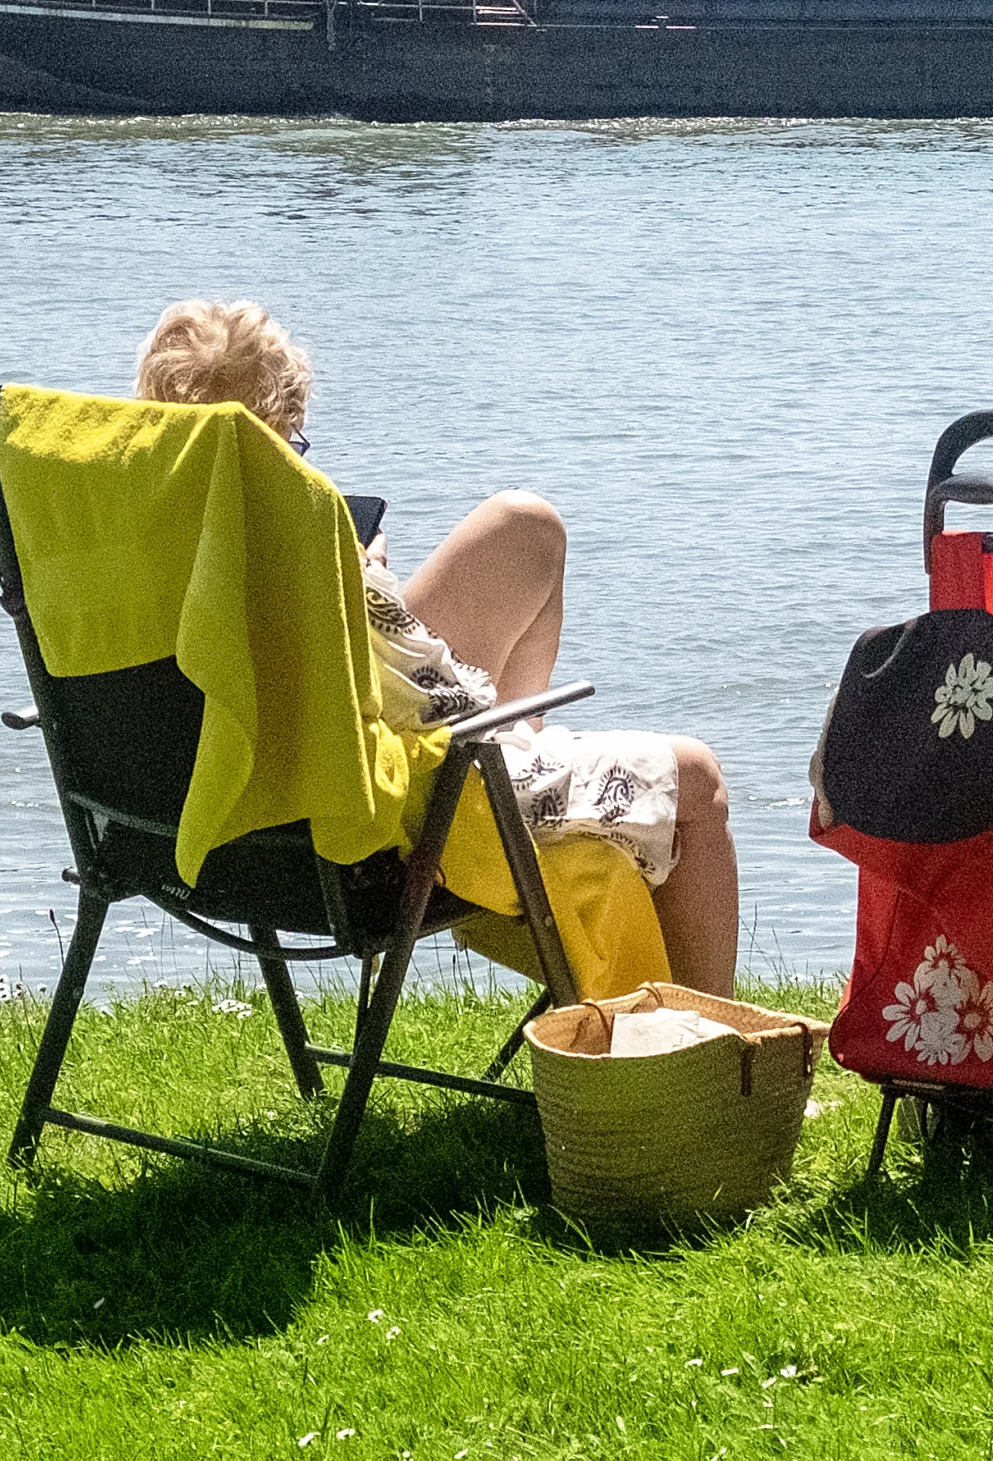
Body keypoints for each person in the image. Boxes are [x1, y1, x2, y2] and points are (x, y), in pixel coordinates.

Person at [127, 299, 743, 994]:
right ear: (271, 433)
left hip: (223, 827)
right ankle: (713, 1060)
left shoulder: (144, 532)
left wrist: (359, 575)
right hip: (421, 805)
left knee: (526, 527)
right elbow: (418, 693)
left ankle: (535, 753)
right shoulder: (295, 532)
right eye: (293, 439)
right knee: (701, 780)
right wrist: (358, 579)